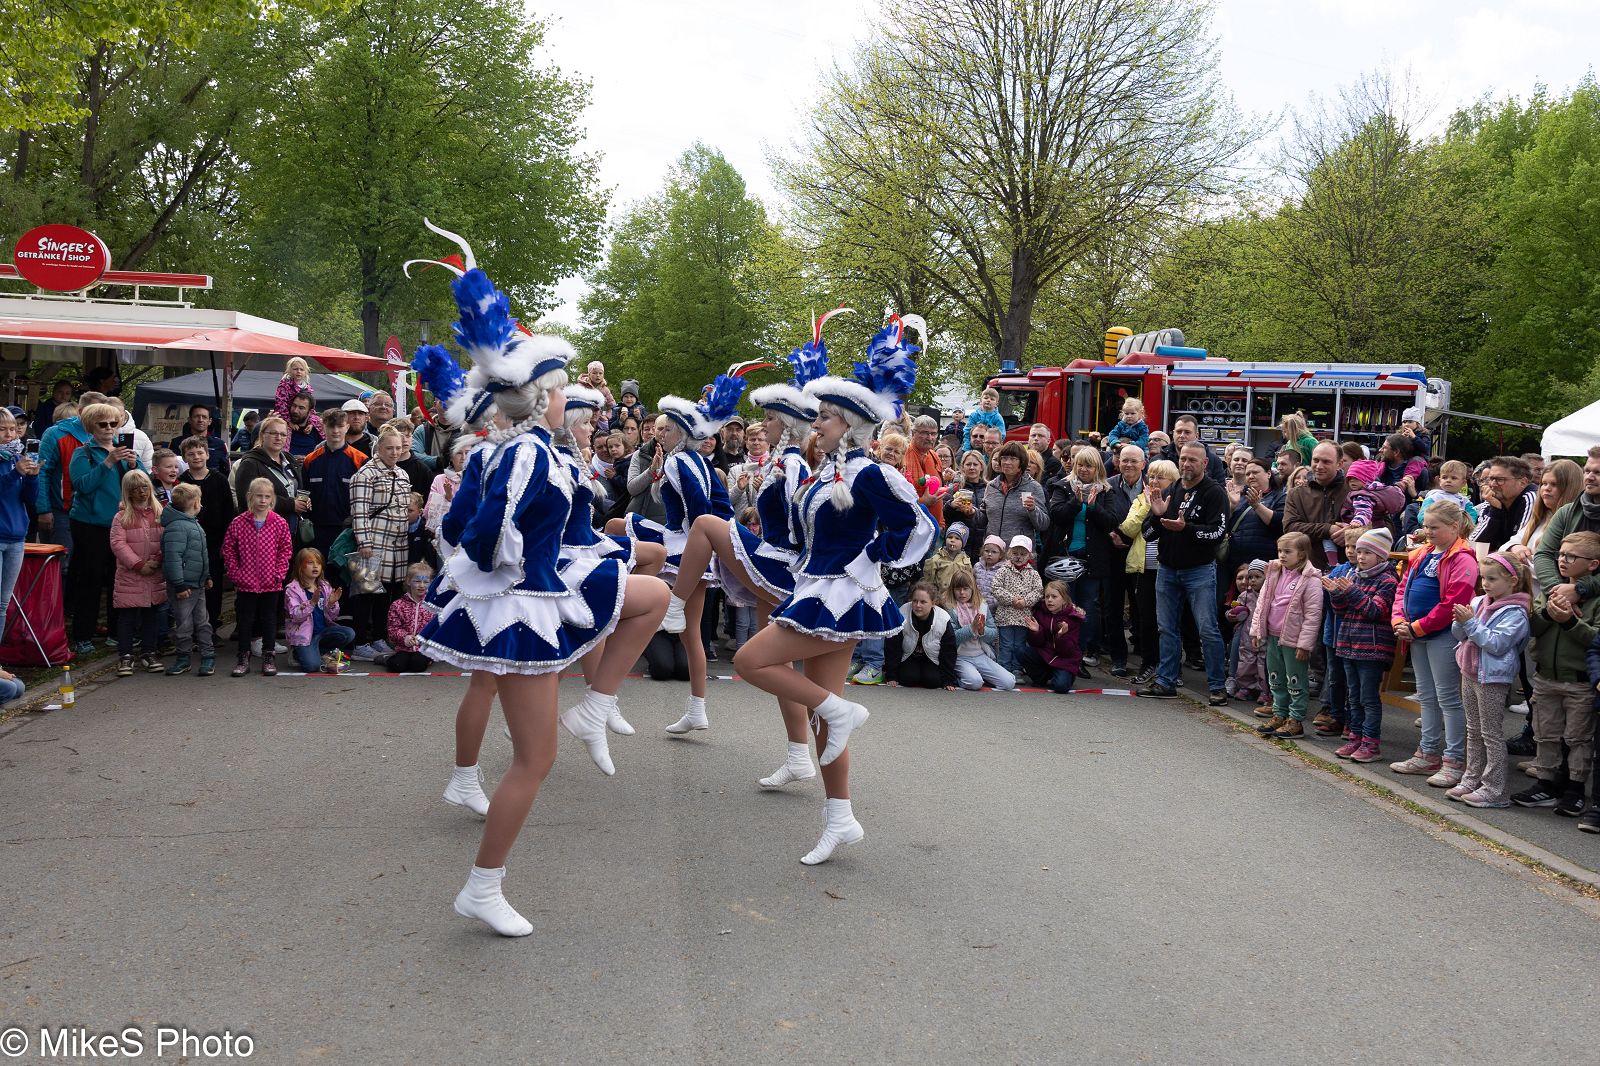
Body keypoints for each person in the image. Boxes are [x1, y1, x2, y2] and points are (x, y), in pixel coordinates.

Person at [402, 231, 666, 935]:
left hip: (525, 598)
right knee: (534, 759)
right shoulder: (528, 456)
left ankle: (593, 708)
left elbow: (459, 527)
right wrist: (511, 566)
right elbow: (483, 530)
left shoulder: (520, 450)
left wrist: (519, 559)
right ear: (542, 397)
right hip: (522, 609)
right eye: (562, 390)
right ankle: (482, 887)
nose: (570, 400)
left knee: (649, 598)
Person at [732, 321, 934, 864]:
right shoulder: (828, 473)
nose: (815, 422)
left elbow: (917, 526)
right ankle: (840, 817)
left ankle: (839, 720)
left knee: (752, 661)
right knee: (827, 715)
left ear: (850, 425)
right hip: (814, 586)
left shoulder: (868, 473)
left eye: (824, 416)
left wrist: (870, 557)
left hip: (841, 595)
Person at [616, 375, 739, 734]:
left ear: (682, 433)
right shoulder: (690, 459)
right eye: (660, 429)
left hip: (682, 544)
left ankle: (605, 685)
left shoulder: (679, 460)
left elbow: (697, 509)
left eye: (667, 429)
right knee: (692, 635)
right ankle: (697, 708)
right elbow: (697, 503)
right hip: (685, 541)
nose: (661, 434)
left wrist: (692, 539)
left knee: (617, 528)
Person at [1390, 500, 1480, 785]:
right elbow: (1402, 588)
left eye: (1434, 527)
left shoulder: (1463, 558)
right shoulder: (1422, 553)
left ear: (1454, 527)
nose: (1427, 531)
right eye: (1425, 526)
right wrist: (1399, 621)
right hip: (1416, 634)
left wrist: (1416, 628)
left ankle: (1454, 760)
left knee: (1448, 698)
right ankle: (1427, 753)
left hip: (1441, 635)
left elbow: (1454, 601)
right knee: (1427, 696)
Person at [1512, 532, 1600, 816]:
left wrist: (1570, 622)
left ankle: (1575, 788)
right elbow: (1532, 628)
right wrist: (1549, 615)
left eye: (1571, 556)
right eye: (1560, 554)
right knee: (1545, 734)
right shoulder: (1552, 590)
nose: (1562, 560)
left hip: (1579, 681)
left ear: (1593, 564)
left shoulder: (1596, 599)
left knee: (1578, 738)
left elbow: (1595, 639)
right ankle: (1546, 783)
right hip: (1546, 677)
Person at [1142, 443, 1231, 703]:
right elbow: (1147, 534)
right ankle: (1165, 682)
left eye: (1193, 459)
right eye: (1183, 459)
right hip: (1167, 570)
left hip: (1199, 570)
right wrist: (1158, 516)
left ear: (1205, 463)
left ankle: (1217, 687)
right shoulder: (1171, 490)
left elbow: (1218, 533)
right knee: (1166, 628)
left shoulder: (1214, 492)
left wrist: (1186, 529)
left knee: (1207, 629)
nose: (1186, 464)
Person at [1446, 552, 1533, 808]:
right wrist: (1459, 622)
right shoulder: (1479, 602)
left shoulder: (1516, 612)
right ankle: (1471, 779)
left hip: (1492, 678)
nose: (1485, 584)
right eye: (1483, 578)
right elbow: (1461, 636)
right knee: (1473, 730)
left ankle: (1495, 790)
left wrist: (1469, 624)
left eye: (1492, 579)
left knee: (1491, 734)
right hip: (1470, 671)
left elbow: (1496, 644)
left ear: (1512, 581)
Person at [66, 401, 147, 654]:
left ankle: (116, 632)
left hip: (121, 523)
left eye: (114, 423)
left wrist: (134, 465)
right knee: (90, 579)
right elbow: (82, 485)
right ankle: (83, 634)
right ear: (91, 427)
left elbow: (143, 482)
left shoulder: (124, 451)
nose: (109, 428)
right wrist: (108, 462)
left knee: (118, 579)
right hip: (90, 525)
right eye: (103, 424)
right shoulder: (83, 453)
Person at [1249, 532, 1324, 737]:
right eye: (1280, 551)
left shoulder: (1311, 580)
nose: (1282, 555)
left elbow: (1313, 615)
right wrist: (1257, 631)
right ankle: (1279, 714)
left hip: (1294, 641)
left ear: (1302, 554)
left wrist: (1304, 645)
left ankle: (1295, 720)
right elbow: (1262, 604)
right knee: (1276, 678)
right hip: (1273, 636)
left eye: (1287, 551)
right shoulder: (1274, 572)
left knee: (1295, 681)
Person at [347, 427, 412, 660]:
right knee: (365, 594)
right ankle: (359, 643)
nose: (394, 452)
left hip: (398, 546)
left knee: (387, 594)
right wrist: (364, 542)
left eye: (398, 448)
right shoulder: (364, 475)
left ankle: (379, 638)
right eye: (389, 448)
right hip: (372, 542)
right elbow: (359, 512)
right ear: (379, 449)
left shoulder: (403, 474)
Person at [223, 477, 294, 677]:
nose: (262, 500)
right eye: (259, 496)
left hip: (271, 582)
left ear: (272, 499)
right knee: (245, 620)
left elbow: (285, 550)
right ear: (250, 497)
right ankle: (243, 657)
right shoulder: (238, 523)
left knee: (269, 620)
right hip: (245, 583)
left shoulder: (279, 522)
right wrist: (235, 574)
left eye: (267, 496)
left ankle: (268, 656)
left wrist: (279, 574)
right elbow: (228, 550)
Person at [1120, 458, 1177, 685]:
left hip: (1170, 569)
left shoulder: (1178, 501)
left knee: (1170, 622)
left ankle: (1171, 669)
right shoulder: (1140, 500)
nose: (1154, 481)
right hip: (1144, 568)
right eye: (1151, 476)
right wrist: (1147, 506)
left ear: (1172, 481)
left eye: (1160, 477)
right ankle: (1148, 664)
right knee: (1146, 620)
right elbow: (1128, 529)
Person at [109, 470, 167, 676]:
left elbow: (166, 539)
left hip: (154, 573)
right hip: (130, 575)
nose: (141, 492)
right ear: (128, 492)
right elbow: (118, 544)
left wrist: (157, 560)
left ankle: (149, 652)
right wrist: (138, 564)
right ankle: (125, 655)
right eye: (135, 489)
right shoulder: (121, 516)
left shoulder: (160, 513)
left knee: (151, 615)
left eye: (144, 487)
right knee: (127, 617)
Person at [178, 436, 236, 626]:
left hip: (214, 541)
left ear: (207, 455)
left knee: (214, 584)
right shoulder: (181, 482)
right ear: (184, 457)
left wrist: (227, 543)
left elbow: (228, 512)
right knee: (190, 584)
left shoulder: (219, 480)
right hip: (188, 543)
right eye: (191, 454)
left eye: (200, 452)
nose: (196, 457)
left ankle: (212, 624)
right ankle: (190, 625)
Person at [160, 482, 215, 677]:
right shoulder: (177, 527)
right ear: (195, 503)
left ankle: (208, 655)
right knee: (184, 624)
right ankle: (183, 657)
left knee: (203, 622)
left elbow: (200, 555)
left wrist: (206, 575)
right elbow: (172, 558)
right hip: (183, 586)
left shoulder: (193, 524)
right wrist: (179, 584)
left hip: (197, 584)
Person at [302, 408, 367, 566]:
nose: (335, 431)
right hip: (316, 530)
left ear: (347, 427)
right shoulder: (310, 460)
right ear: (323, 427)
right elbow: (304, 494)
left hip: (347, 531)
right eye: (331, 426)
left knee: (342, 576)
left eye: (340, 426)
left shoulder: (360, 460)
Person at [282, 548, 353, 673]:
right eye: (310, 563)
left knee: (349, 633)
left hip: (322, 631)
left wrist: (331, 604)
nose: (315, 566)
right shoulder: (292, 589)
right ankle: (297, 654)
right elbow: (296, 616)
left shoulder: (324, 585)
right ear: (300, 567)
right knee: (312, 666)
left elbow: (333, 617)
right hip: (304, 636)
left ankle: (320, 652)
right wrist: (312, 603)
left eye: (318, 563)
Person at [232, 415, 305, 535]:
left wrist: (303, 501)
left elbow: (296, 489)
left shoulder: (290, 460)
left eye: (283, 434)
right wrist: (291, 504)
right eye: (273, 433)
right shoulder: (250, 464)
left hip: (292, 531)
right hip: (262, 533)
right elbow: (248, 500)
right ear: (262, 435)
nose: (278, 438)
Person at [946, 571, 1014, 691]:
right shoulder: (950, 609)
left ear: (973, 589)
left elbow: (993, 634)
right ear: (952, 590)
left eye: (966, 589)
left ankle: (979, 675)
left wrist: (982, 630)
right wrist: (971, 628)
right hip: (960, 656)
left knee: (1008, 682)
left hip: (980, 654)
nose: (962, 593)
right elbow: (951, 638)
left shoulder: (982, 606)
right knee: (974, 683)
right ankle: (957, 677)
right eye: (958, 589)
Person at [1285, 442, 1350, 570]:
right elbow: (1290, 528)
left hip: (1348, 571)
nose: (1319, 466)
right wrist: (1328, 529)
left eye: (1326, 462)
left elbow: (1381, 525)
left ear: (1340, 464)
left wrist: (1352, 533)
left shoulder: (1353, 490)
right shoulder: (1296, 494)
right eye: (1315, 460)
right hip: (1308, 569)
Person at [0, 431, 39, 635]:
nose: (9, 434)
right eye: (2, 428)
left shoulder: (17, 457)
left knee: (3, 604)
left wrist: (32, 477)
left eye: (12, 429)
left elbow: (30, 499)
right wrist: (15, 473)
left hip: (16, 538)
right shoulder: (16, 464)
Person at [884, 583, 958, 690]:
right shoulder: (902, 613)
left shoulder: (943, 619)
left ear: (933, 603)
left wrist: (948, 680)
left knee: (932, 681)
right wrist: (891, 675)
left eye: (923, 602)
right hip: (909, 655)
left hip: (932, 658)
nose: (918, 605)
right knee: (908, 679)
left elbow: (949, 651)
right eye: (915, 601)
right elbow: (893, 646)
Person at [978, 441, 1048, 554]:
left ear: (1022, 463)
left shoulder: (1033, 487)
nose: (1007, 462)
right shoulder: (991, 486)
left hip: (1019, 555)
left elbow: (1043, 524)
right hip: (993, 554)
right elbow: (983, 519)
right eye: (1004, 458)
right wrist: (971, 512)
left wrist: (1033, 510)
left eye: (1013, 459)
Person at [1019, 580, 1084, 694]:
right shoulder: (1040, 612)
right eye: (1047, 596)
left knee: (1061, 687)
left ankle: (1067, 675)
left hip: (1064, 660)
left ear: (1064, 599)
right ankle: (1041, 677)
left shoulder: (1073, 618)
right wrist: (1037, 631)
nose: (1049, 600)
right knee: (1021, 651)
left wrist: (1061, 636)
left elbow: (1067, 652)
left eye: (1054, 597)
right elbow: (1036, 644)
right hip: (1045, 655)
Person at [991, 535, 1043, 675]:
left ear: (1029, 555)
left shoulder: (1033, 574)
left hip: (1023, 617)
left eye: (1022, 554)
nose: (1018, 557)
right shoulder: (1003, 570)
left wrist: (1025, 601)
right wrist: (1012, 599)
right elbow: (995, 587)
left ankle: (1017, 669)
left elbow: (1038, 591)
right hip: (1005, 616)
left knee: (1019, 644)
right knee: (1006, 644)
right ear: (1009, 553)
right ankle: (1004, 669)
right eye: (1015, 553)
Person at [1472, 455, 1538, 552]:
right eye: (1490, 479)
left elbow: (1521, 542)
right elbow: (1474, 544)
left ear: (1523, 482)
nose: (1492, 484)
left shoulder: (1531, 498)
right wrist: (1495, 510)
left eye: (1500, 480)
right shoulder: (1492, 499)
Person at [384, 563, 437, 673]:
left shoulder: (433, 605)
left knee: (418, 665)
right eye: (417, 581)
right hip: (403, 647)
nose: (421, 585)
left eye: (426, 582)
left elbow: (436, 628)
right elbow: (392, 629)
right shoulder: (397, 605)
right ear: (408, 581)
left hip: (424, 648)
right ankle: (385, 659)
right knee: (397, 666)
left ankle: (428, 659)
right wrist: (405, 637)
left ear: (431, 583)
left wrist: (423, 639)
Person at [1227, 560, 1267, 703]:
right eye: (1251, 577)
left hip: (1264, 636)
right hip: (1247, 636)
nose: (1252, 580)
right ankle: (1245, 687)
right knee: (1246, 663)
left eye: (1257, 577)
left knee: (1263, 664)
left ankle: (1264, 690)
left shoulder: (1270, 595)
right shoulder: (1245, 596)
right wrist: (1231, 614)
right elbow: (1235, 611)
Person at [425, 435, 475, 536]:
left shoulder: (476, 480)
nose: (464, 457)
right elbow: (427, 513)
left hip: (467, 535)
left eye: (467, 452)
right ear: (451, 457)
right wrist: (446, 499)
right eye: (459, 453)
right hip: (442, 535)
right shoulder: (439, 479)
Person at [904, 415, 946, 526]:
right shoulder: (902, 456)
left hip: (936, 525)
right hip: (913, 526)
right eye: (925, 433)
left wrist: (941, 523)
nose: (930, 438)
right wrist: (923, 502)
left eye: (933, 434)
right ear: (913, 433)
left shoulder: (934, 455)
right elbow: (897, 497)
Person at [166, 404, 229, 474]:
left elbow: (226, 471)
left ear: (210, 421)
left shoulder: (219, 444)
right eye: (196, 416)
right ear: (189, 420)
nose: (200, 420)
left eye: (204, 417)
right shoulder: (176, 442)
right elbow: (168, 467)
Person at [922, 523, 974, 600]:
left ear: (963, 543)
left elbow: (969, 582)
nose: (952, 540)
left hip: (958, 599)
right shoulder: (936, 559)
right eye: (950, 537)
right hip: (939, 598)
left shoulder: (966, 562)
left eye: (957, 538)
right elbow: (929, 580)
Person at [1169, 415, 1226, 484]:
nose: (1182, 436)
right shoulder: (1162, 458)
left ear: (1197, 435)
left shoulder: (1214, 461)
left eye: (1187, 432)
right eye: (1179, 432)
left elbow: (1219, 488)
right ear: (1173, 434)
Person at [274, 357, 321, 434]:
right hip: (286, 417)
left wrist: (311, 422)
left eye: (301, 369)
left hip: (302, 418)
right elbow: (281, 404)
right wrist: (289, 421)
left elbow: (311, 407)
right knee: (285, 434)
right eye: (295, 369)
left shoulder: (308, 388)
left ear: (306, 372)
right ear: (289, 370)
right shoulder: (284, 385)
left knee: (319, 425)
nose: (298, 371)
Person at [283, 392, 323, 458]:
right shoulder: (281, 428)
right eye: (294, 406)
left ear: (310, 412)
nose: (295, 411)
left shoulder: (317, 431)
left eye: (301, 408)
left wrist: (307, 459)